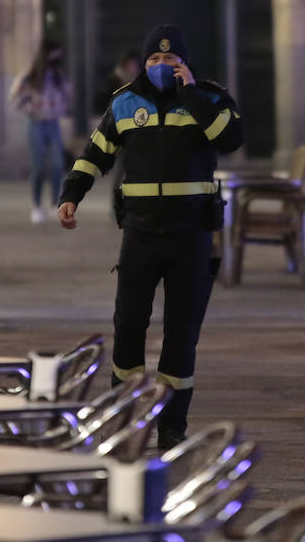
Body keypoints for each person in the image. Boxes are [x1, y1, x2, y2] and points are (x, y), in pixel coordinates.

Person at [57, 24, 242, 450]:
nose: (161, 66)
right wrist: (72, 195)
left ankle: (172, 424)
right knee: (128, 326)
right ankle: (124, 415)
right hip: (140, 233)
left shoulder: (210, 98)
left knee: (182, 331)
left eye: (170, 59)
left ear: (185, 63)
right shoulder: (125, 102)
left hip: (191, 234)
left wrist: (191, 95)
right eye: (154, 59)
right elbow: (95, 154)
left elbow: (231, 139)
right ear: (144, 62)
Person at [11, 39, 74, 224]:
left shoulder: (59, 76)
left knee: (57, 164)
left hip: (53, 123)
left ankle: (56, 202)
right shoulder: (30, 75)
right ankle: (37, 206)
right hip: (36, 123)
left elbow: (69, 96)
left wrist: (60, 109)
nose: (56, 58)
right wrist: (31, 108)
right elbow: (15, 97)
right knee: (39, 165)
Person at [94, 50, 142, 117]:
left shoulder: (138, 84)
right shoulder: (112, 84)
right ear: (125, 64)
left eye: (136, 65)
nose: (135, 68)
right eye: (133, 64)